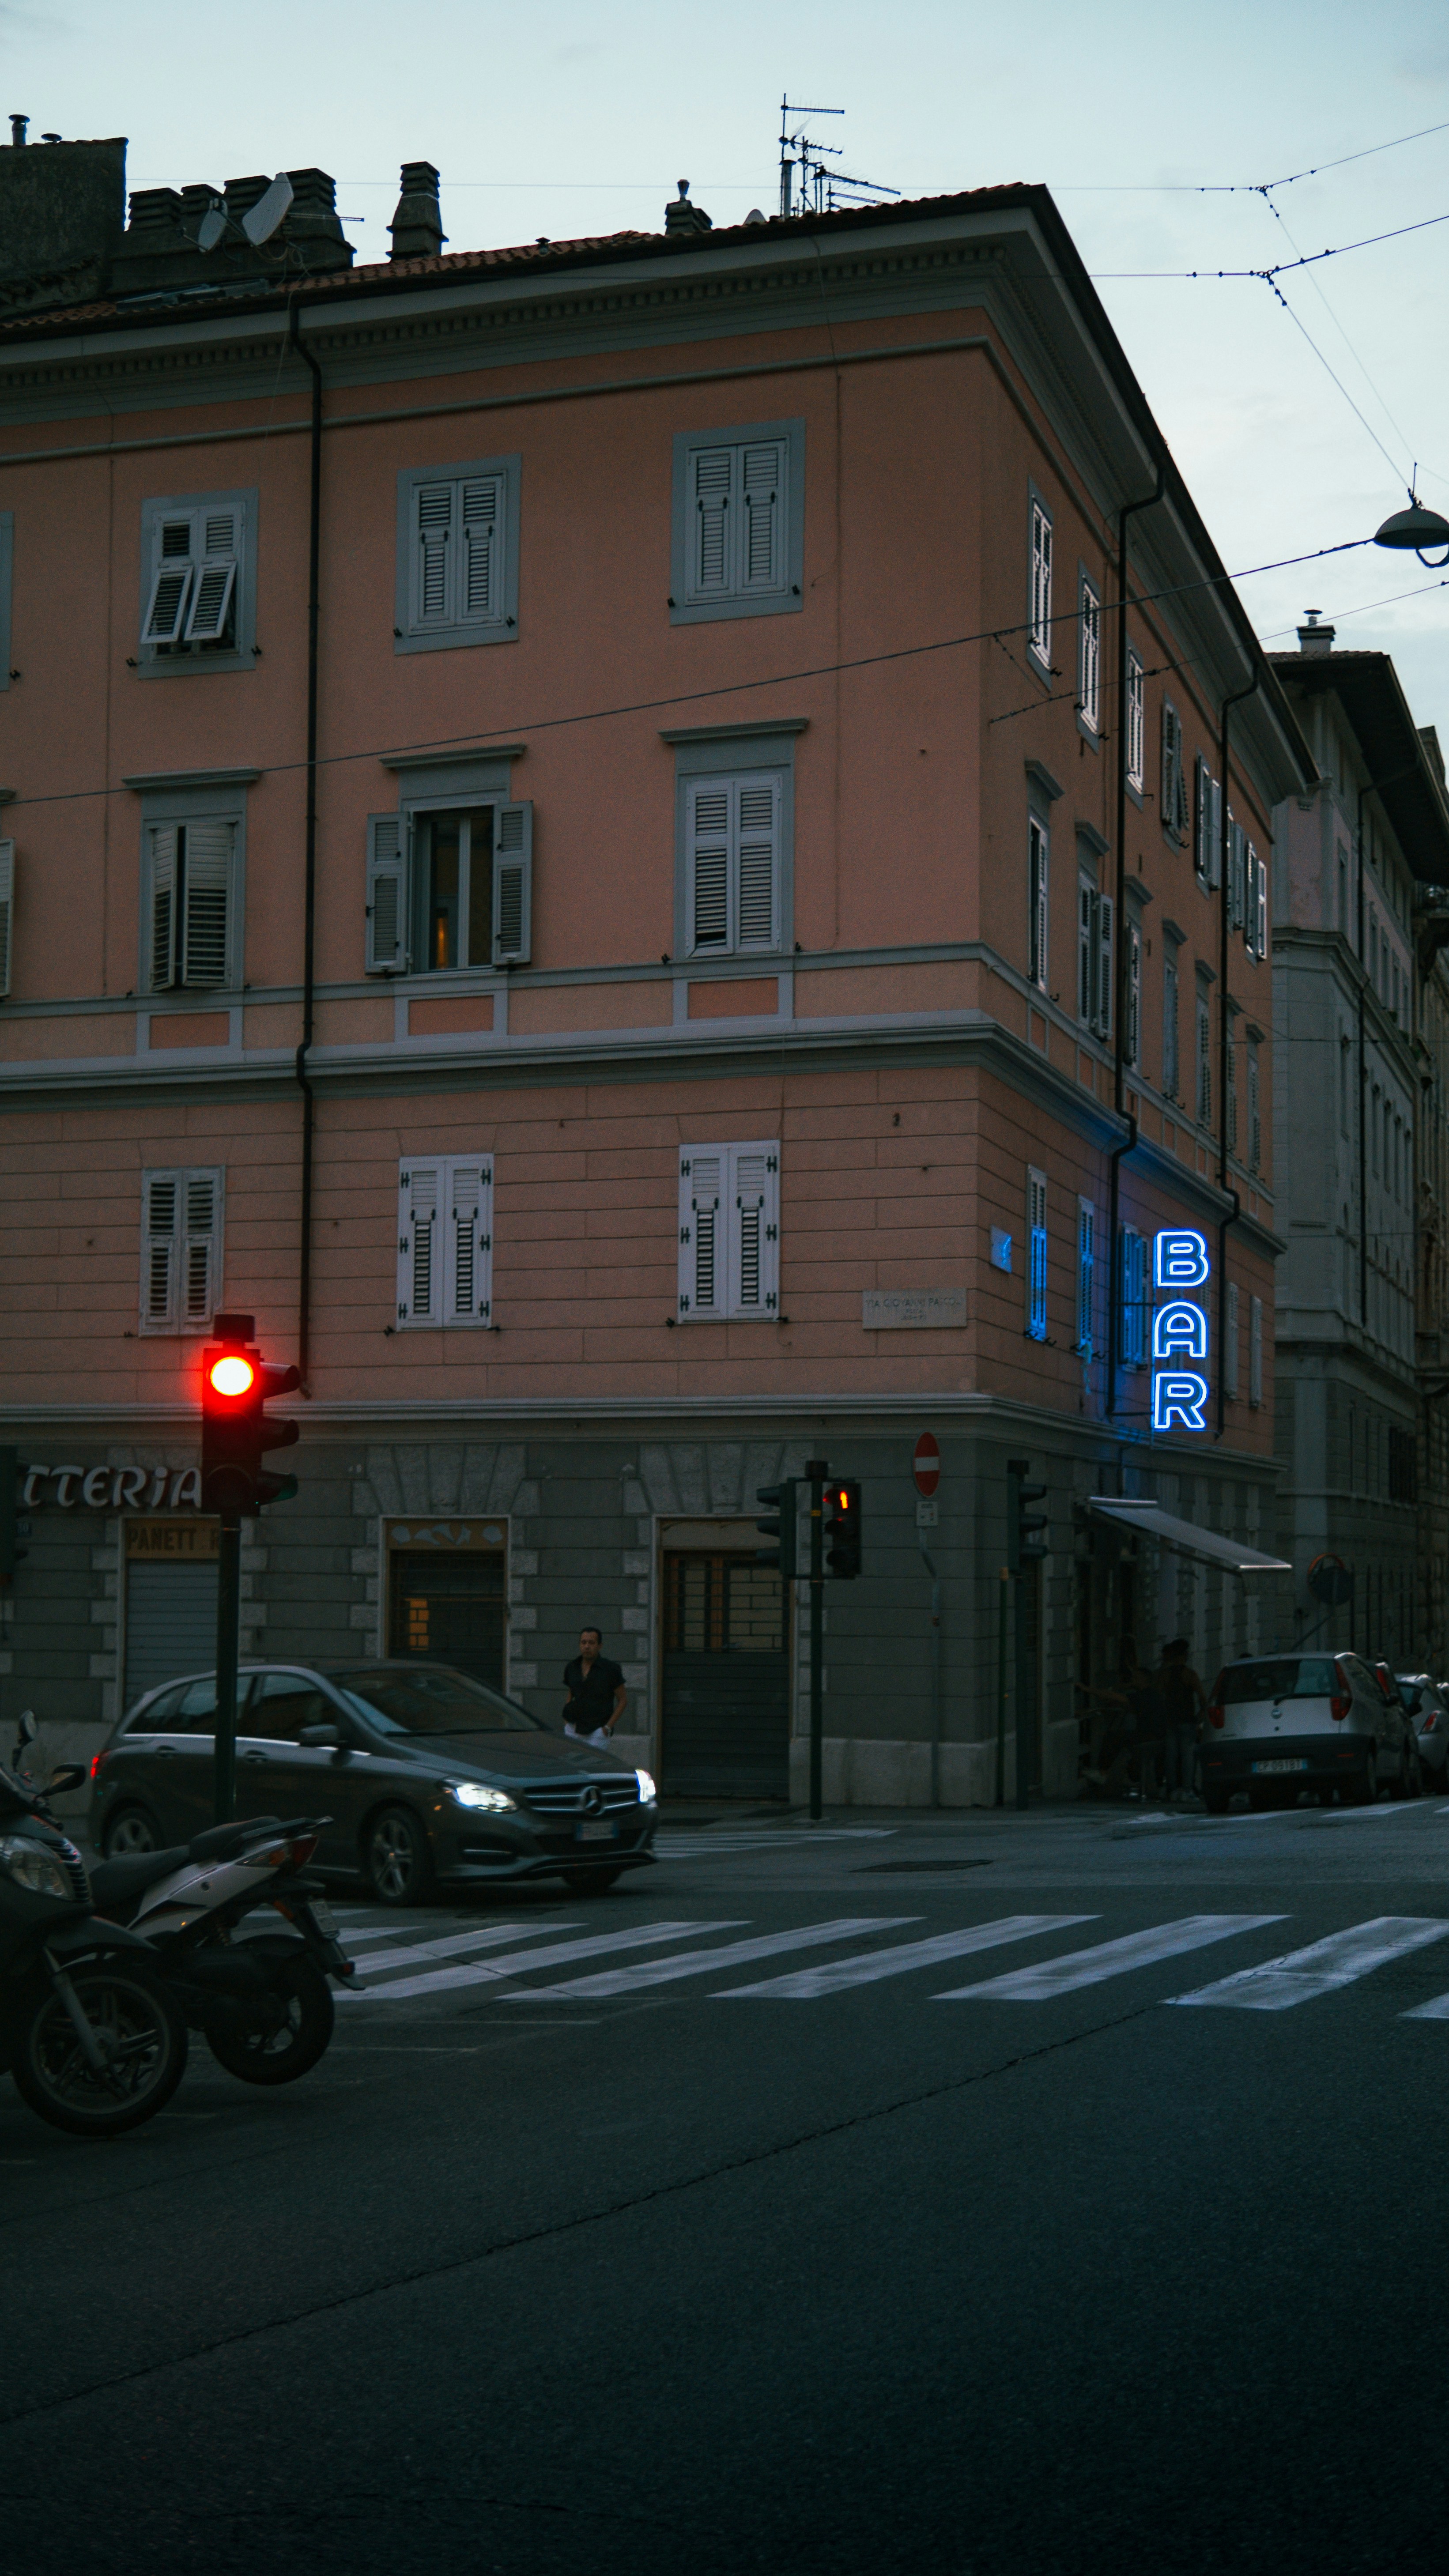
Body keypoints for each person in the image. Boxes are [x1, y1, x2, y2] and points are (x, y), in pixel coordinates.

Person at [562, 1626, 627, 1748]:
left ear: (599, 1646)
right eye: (584, 1642)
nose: (587, 1646)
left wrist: (607, 1728)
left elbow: (623, 1700)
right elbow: (571, 1693)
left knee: (594, 1766)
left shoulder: (611, 1669)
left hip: (597, 1732)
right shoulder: (572, 1667)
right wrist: (567, 1722)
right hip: (573, 1729)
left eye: (591, 1643)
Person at [1159, 1637, 1207, 1802]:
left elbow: (1161, 1696)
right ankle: (1187, 1789)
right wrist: (1200, 1716)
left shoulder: (1165, 1675)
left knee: (1171, 1756)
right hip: (1187, 1721)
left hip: (1171, 1720)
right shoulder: (1190, 1675)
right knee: (1188, 1756)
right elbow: (1202, 1698)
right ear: (1185, 1655)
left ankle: (1172, 1789)